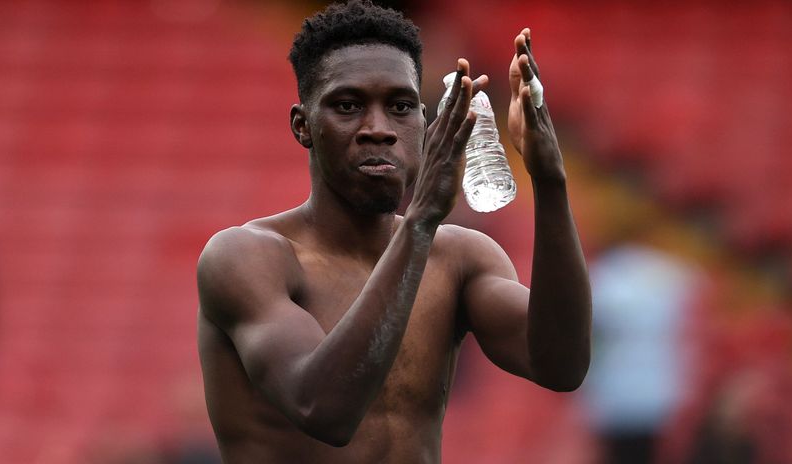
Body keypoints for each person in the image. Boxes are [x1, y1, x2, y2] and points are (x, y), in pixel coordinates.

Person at [196, 1, 591, 462]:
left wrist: (550, 180)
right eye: (348, 106)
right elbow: (325, 410)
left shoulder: (459, 258)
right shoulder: (247, 257)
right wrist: (421, 220)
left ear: (422, 122)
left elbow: (561, 366)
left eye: (400, 107)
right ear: (303, 126)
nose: (378, 129)